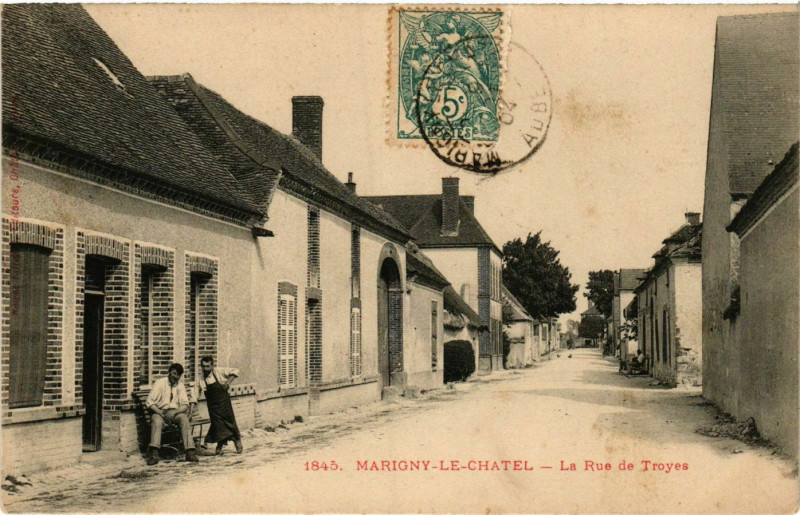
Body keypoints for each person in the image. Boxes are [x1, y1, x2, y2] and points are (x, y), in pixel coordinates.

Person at [145, 363, 198, 465]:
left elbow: (185, 404)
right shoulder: (160, 383)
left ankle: (190, 452)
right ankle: (154, 455)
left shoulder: (180, 386)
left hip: (174, 413)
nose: (175, 377)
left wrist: (175, 412)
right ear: (169, 372)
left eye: (178, 375)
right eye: (174, 373)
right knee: (156, 421)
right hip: (160, 411)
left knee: (184, 419)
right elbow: (149, 402)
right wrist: (160, 412)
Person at [197, 356, 243, 454]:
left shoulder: (218, 372)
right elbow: (196, 393)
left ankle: (237, 440)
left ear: (212, 366)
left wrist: (227, 383)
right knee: (217, 425)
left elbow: (235, 371)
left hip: (223, 402)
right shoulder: (201, 379)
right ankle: (220, 444)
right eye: (203, 366)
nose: (205, 369)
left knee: (229, 422)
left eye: (207, 366)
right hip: (212, 406)